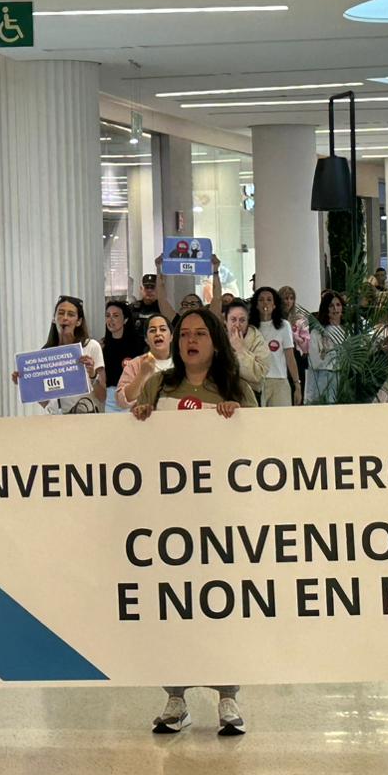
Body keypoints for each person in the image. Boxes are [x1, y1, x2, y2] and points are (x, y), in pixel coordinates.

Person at [133, 307, 256, 735]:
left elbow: (260, 447)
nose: (190, 340)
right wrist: (140, 420)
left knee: (222, 605)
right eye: (184, 333)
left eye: (200, 333)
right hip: (169, 518)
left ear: (215, 341)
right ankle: (176, 696)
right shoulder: (159, 385)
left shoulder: (236, 388)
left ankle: (227, 696)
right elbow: (136, 445)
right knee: (174, 606)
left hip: (221, 516)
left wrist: (237, 422)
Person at [10, 296, 106, 414]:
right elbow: (46, 402)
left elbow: (102, 396)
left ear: (79, 321)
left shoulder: (91, 346)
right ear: (54, 319)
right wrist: (26, 384)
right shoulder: (45, 354)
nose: (65, 318)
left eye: (71, 315)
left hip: (86, 417)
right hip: (56, 419)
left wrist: (92, 375)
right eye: (61, 313)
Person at [252, 286, 303, 407]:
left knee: (281, 417)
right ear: (256, 305)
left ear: (275, 305)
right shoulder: (251, 327)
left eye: (269, 300)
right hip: (256, 381)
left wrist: (297, 384)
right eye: (261, 300)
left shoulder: (284, 325)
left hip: (279, 380)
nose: (265, 303)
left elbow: (290, 357)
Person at [115, 312, 174, 410]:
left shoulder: (184, 363)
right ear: (146, 339)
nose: (158, 333)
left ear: (171, 336)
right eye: (152, 330)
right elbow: (121, 401)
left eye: (163, 329)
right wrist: (142, 375)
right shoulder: (135, 364)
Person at [99, 299, 145, 412]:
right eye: (108, 316)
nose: (111, 320)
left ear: (125, 319)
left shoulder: (139, 344)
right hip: (109, 398)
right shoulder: (102, 346)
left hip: (132, 396)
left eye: (115, 316)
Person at [224, 299, 270, 404]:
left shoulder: (257, 340)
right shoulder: (218, 339)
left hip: (249, 397)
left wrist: (240, 350)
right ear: (225, 321)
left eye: (242, 320)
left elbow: (258, 375)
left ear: (247, 322)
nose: (237, 324)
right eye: (233, 320)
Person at [306, 290, 346, 404]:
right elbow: (314, 362)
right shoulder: (317, 332)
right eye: (331, 306)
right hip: (324, 377)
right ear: (325, 308)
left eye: (338, 305)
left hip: (344, 377)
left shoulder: (348, 331)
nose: (335, 309)